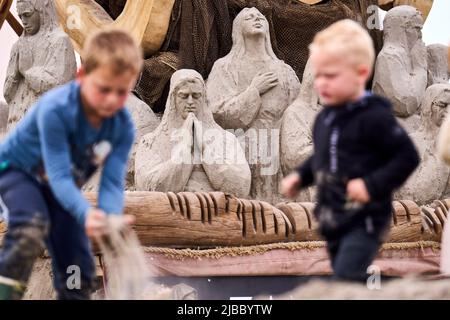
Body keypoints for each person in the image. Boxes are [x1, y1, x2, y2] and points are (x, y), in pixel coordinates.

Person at [0, 29, 142, 299]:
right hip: (16, 174)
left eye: (121, 92)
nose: (112, 100)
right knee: (31, 225)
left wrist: (110, 219)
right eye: (103, 89)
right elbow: (59, 177)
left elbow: (111, 184)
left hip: (57, 190)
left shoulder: (121, 127)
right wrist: (87, 214)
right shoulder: (56, 109)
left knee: (77, 255)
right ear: (81, 77)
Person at [281, 20, 420, 282]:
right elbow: (318, 158)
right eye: (318, 75)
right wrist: (300, 176)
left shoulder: (374, 115)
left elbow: (406, 156)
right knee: (344, 277)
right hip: (332, 219)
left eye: (331, 75)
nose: (322, 82)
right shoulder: (324, 120)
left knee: (344, 279)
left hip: (364, 217)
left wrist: (370, 185)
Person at [135, 69, 251, 198]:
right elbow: (147, 187)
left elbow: (241, 187)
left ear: (203, 98)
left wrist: (204, 149)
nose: (190, 102)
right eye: (184, 96)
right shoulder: (152, 141)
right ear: (173, 98)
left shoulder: (226, 139)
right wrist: (184, 149)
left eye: (196, 96)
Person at [3, 0, 77, 129]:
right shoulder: (18, 46)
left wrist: (27, 72)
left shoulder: (59, 41)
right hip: (19, 125)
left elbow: (61, 86)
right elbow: (7, 94)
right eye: (20, 16)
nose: (23, 21)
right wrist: (14, 74)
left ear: (41, 10)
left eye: (27, 14)